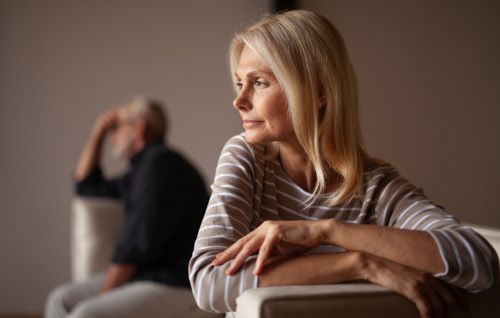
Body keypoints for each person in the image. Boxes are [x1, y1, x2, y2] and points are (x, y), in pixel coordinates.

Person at [188, 10, 499, 318]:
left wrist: (328, 232)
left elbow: (478, 261)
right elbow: (208, 283)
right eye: (240, 82)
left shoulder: (376, 187)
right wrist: (360, 264)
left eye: (260, 82)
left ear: (320, 92)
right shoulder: (245, 158)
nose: (239, 100)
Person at [46, 96, 211, 317]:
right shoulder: (139, 171)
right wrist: (98, 131)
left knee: (87, 313)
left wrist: (104, 297)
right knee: (60, 300)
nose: (112, 135)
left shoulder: (162, 166)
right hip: (146, 276)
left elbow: (135, 246)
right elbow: (85, 184)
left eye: (115, 127)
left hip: (180, 282)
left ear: (138, 128)